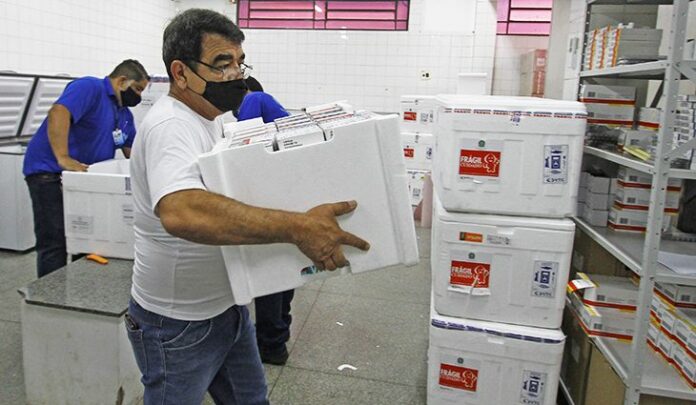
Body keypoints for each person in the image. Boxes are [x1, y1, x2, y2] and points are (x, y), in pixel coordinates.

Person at [125, 9, 370, 405]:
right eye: (222, 64)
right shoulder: (171, 125)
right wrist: (298, 227)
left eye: (240, 62)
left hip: (228, 307)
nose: (236, 74)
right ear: (181, 72)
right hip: (178, 322)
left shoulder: (212, 118)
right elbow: (181, 210)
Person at [22, 60, 149, 278]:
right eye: (137, 89)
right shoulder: (90, 88)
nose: (138, 96)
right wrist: (63, 158)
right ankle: (51, 294)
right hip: (49, 173)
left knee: (87, 239)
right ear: (122, 81)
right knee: (55, 240)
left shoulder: (124, 114)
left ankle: (76, 290)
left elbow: (133, 153)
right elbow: (59, 112)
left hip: (84, 181)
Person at [236, 76, 295, 365]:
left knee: (270, 270)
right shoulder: (272, 106)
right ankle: (278, 336)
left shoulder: (253, 99)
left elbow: (244, 147)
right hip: (288, 191)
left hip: (270, 194)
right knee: (285, 265)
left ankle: (271, 344)